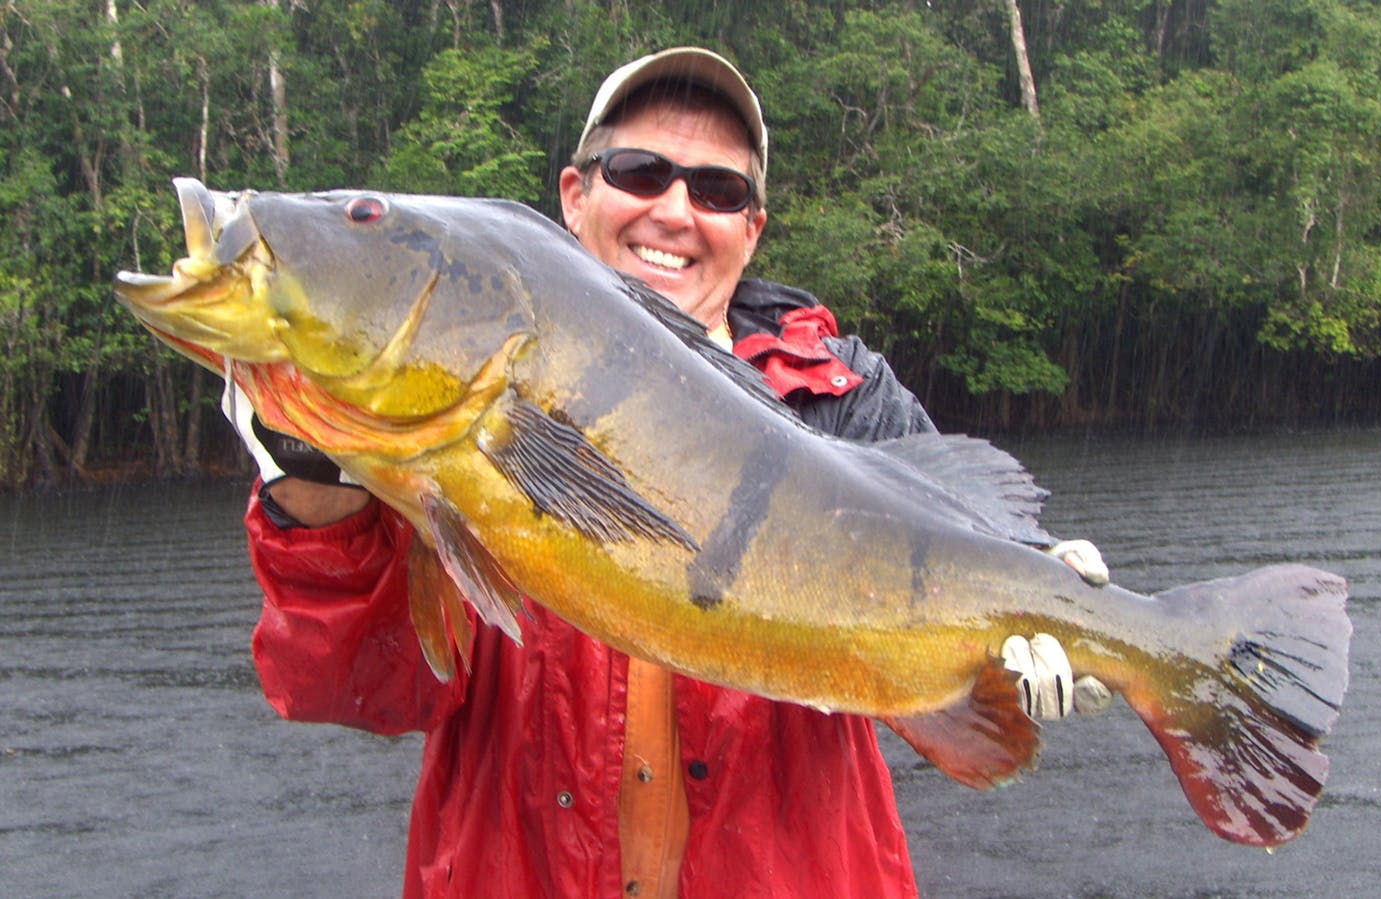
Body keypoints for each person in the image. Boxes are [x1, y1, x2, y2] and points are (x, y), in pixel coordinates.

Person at [227, 47, 1109, 899]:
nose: (677, 210)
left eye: (719, 189)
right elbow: (359, 687)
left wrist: (1055, 585)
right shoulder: (443, 401)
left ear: (752, 228)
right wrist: (313, 491)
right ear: (575, 196)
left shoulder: (843, 397)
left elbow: (980, 542)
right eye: (641, 172)